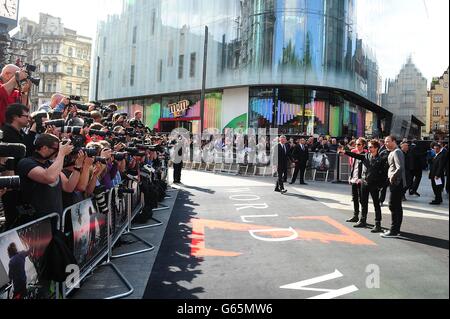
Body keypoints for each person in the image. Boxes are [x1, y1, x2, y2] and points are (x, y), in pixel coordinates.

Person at [16, 134, 75, 220]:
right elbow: (49, 178)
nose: (58, 152)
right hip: (37, 222)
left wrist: (78, 167)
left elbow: (69, 187)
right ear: (44, 148)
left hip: (56, 219)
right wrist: (61, 154)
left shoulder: (51, 164)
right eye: (56, 149)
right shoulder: (26, 163)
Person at [339, 140, 388, 233]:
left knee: (376, 204)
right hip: (364, 183)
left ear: (376, 148)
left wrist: (381, 185)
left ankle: (378, 224)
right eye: (368, 147)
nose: (369, 149)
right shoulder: (366, 156)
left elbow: (384, 174)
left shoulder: (380, 158)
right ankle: (362, 220)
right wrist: (345, 152)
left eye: (371, 147)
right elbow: (356, 155)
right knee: (363, 202)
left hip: (374, 184)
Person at [381, 136, 406, 238]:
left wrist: (392, 176)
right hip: (395, 182)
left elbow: (400, 167)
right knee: (396, 206)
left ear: (394, 141)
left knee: (393, 205)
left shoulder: (396, 152)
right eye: (385, 142)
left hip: (397, 182)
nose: (385, 143)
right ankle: (395, 229)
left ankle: (394, 230)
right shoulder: (392, 152)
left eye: (388, 141)